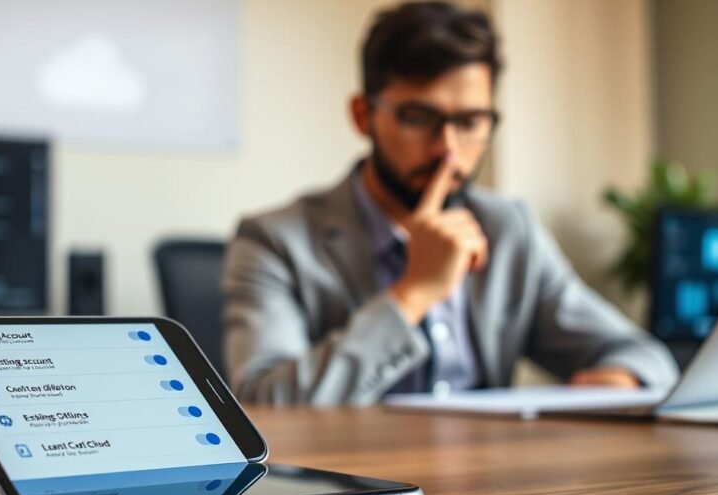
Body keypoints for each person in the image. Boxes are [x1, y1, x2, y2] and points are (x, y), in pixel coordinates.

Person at [223, 1, 678, 406]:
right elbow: (265, 403)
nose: (448, 150)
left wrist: (621, 380)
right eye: (419, 118)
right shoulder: (274, 240)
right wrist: (413, 293)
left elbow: (644, 356)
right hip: (358, 493)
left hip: (489, 491)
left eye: (470, 122)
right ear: (364, 116)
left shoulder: (508, 228)